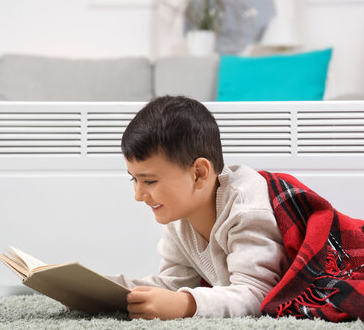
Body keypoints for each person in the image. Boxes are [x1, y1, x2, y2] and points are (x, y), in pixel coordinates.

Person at [105, 95, 289, 320]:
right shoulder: (179, 216)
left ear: (199, 173)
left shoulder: (244, 207)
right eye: (133, 179)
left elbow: (257, 294)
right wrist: (100, 289)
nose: (138, 195)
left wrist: (187, 305)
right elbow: (172, 284)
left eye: (150, 181)